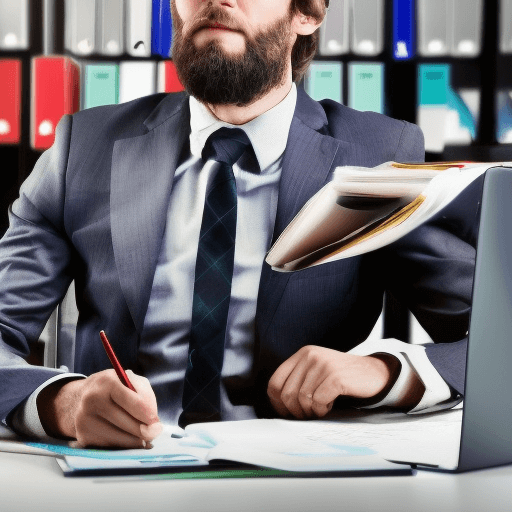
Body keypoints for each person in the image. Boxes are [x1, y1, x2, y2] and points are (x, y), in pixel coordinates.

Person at [0, 0, 477, 449]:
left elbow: (496, 341)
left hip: (296, 479)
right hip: (118, 472)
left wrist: (384, 371)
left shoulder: (376, 156)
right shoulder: (81, 149)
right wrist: (62, 403)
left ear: (307, 12)